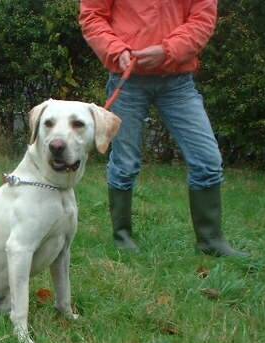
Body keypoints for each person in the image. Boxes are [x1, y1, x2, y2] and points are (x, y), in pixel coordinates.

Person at [79, 0, 248, 256]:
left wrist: (168, 50)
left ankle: (211, 242)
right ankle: (122, 239)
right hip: (127, 82)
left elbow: (202, 19)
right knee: (125, 164)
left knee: (207, 161)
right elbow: (92, 16)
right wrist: (117, 50)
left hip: (178, 83)